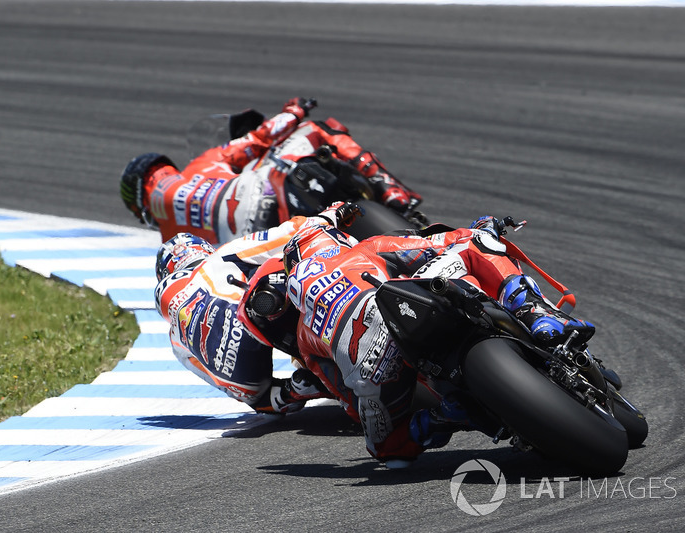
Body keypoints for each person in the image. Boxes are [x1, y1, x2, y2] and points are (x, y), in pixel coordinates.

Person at [282, 209, 595, 467]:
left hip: (372, 369)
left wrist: (374, 403)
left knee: (389, 452)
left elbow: (342, 394)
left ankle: (443, 416)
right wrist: (484, 229)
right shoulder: (363, 249)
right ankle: (535, 313)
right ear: (336, 240)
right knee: (474, 243)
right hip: (405, 308)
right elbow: (439, 244)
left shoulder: (303, 332)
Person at [120, 98, 422, 244]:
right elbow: (258, 138)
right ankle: (392, 190)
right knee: (317, 129)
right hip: (266, 193)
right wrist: (294, 111)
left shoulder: (171, 242)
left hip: (260, 245)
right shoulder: (201, 166)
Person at [152, 205, 359, 414]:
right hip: (256, 314)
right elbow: (288, 232)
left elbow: (215, 380)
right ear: (203, 249)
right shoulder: (219, 257)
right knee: (287, 264)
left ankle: (293, 390)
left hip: (244, 378)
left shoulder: (176, 343)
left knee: (259, 399)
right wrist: (329, 215)